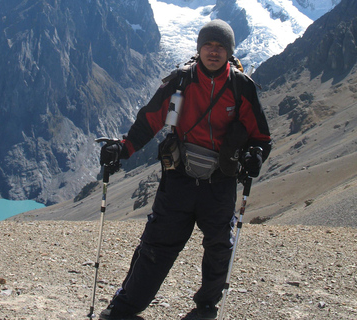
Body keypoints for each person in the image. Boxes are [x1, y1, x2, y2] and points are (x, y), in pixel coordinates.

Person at [98, 19, 271, 320]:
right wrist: (122, 149)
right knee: (156, 245)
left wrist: (256, 155)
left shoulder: (241, 88)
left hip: (220, 181)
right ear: (199, 48)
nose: (213, 52)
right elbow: (150, 120)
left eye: (220, 47)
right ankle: (125, 307)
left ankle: (206, 306)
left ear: (229, 52)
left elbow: (262, 137)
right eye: (208, 45)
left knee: (219, 248)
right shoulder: (180, 80)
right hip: (179, 177)